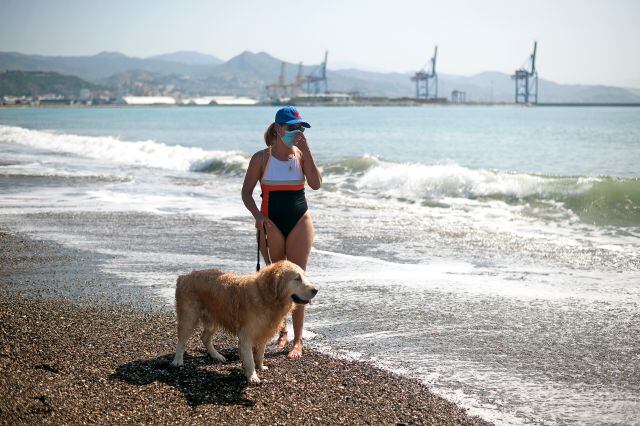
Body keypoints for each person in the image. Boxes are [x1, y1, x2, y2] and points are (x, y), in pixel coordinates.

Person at [241, 106, 322, 359]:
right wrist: (258, 217)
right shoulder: (261, 159)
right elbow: (246, 193)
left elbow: (316, 184)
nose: (296, 132)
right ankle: (281, 332)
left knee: (299, 278)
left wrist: (306, 149)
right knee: (278, 281)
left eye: (300, 128)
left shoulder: (300, 155)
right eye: (291, 128)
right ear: (278, 129)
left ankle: (298, 340)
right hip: (270, 223)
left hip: (300, 220)